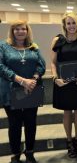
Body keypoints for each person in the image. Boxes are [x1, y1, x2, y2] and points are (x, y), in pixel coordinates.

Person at [0, 20, 46, 163]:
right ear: (12, 31)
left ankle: (30, 152)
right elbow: (0, 66)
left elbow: (41, 65)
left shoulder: (33, 47)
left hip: (31, 90)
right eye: (17, 29)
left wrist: (33, 79)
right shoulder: (3, 46)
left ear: (27, 31)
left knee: (30, 122)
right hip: (11, 90)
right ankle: (15, 154)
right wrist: (21, 80)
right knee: (14, 124)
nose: (20, 31)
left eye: (23, 29)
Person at [51, 12, 77, 158]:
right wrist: (55, 78)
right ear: (64, 25)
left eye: (74, 23)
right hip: (63, 82)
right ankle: (69, 142)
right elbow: (53, 63)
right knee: (67, 112)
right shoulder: (57, 40)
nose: (71, 26)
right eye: (68, 23)